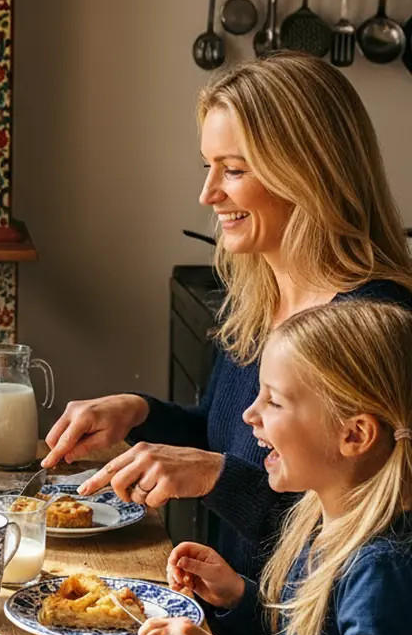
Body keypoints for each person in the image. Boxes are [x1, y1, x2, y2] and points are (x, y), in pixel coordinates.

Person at [43, 53, 412, 578]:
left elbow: (364, 540)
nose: (208, 194)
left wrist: (217, 478)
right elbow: (231, 439)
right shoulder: (256, 299)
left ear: (308, 171)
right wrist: (138, 412)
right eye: (208, 166)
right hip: (230, 620)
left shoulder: (376, 324)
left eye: (234, 170)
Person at [139, 300, 412, 635]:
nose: (249, 415)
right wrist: (241, 599)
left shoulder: (379, 562)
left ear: (354, 435)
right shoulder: (319, 516)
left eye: (275, 401)